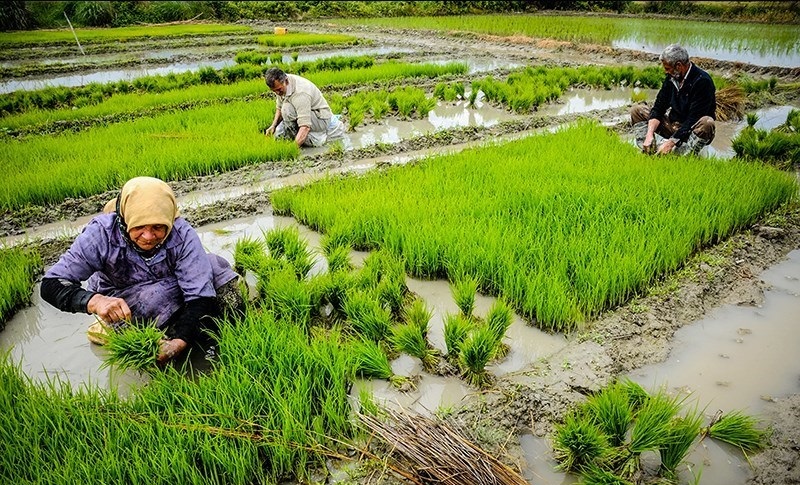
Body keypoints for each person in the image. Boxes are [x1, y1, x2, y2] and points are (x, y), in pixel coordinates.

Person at [41, 176, 244, 364]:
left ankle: (231, 331)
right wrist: (95, 301)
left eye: (158, 227)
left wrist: (179, 342)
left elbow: (199, 294)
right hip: (121, 300)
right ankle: (115, 329)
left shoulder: (181, 233)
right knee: (155, 297)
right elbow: (51, 283)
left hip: (171, 284)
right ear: (125, 219)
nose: (148, 236)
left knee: (215, 266)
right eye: (139, 227)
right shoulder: (101, 234)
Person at [631, 44, 716, 156]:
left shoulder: (702, 81)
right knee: (637, 110)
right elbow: (659, 107)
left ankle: (683, 156)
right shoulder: (672, 78)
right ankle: (648, 150)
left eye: (667, 68)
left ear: (678, 66)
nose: (666, 71)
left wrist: (670, 143)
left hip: (692, 131)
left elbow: (693, 119)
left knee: (707, 123)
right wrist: (649, 134)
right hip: (673, 125)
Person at [263, 67, 345, 147]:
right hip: (307, 112)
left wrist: (293, 148)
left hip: (321, 118)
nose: (277, 93)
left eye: (279, 89)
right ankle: (295, 137)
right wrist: (273, 126)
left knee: (287, 110)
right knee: (285, 108)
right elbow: (279, 107)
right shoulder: (281, 84)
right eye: (274, 91)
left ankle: (298, 139)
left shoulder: (301, 93)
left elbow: (305, 126)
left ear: (286, 81)